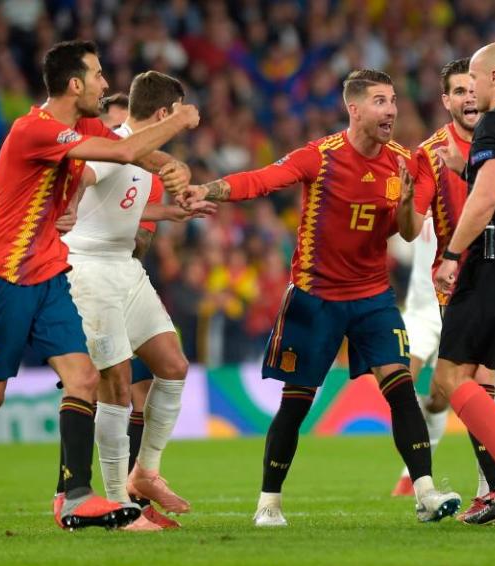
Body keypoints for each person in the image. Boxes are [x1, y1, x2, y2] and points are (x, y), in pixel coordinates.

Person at [0, 40, 199, 538]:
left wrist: (166, 163)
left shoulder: (81, 128)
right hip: (5, 275)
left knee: (83, 378)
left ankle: (76, 497)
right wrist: (181, 120)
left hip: (51, 274)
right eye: (97, 76)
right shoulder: (33, 130)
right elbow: (121, 150)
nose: (104, 84)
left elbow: (128, 144)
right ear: (74, 84)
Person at [188, 69, 461, 527]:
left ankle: (426, 492)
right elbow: (263, 180)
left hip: (373, 296)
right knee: (297, 403)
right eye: (379, 101)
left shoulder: (402, 162)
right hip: (317, 298)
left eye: (392, 100)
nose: (391, 109)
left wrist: (406, 204)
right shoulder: (322, 156)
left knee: (400, 389)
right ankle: (269, 502)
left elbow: (410, 233)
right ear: (353, 109)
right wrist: (208, 190)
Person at [393, 58, 495, 522]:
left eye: (476, 83)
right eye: (460, 89)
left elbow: (486, 200)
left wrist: (450, 256)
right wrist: (461, 172)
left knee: (453, 379)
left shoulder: (494, 129)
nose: (472, 94)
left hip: (489, 263)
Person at [59, 71, 215, 531]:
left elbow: (117, 203)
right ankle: (116, 505)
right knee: (117, 383)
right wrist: (63, 205)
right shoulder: (114, 145)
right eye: (180, 115)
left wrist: (169, 210)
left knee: (173, 364)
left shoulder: (142, 156)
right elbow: (85, 173)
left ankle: (144, 473)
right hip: (89, 270)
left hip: (125, 269)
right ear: (166, 114)